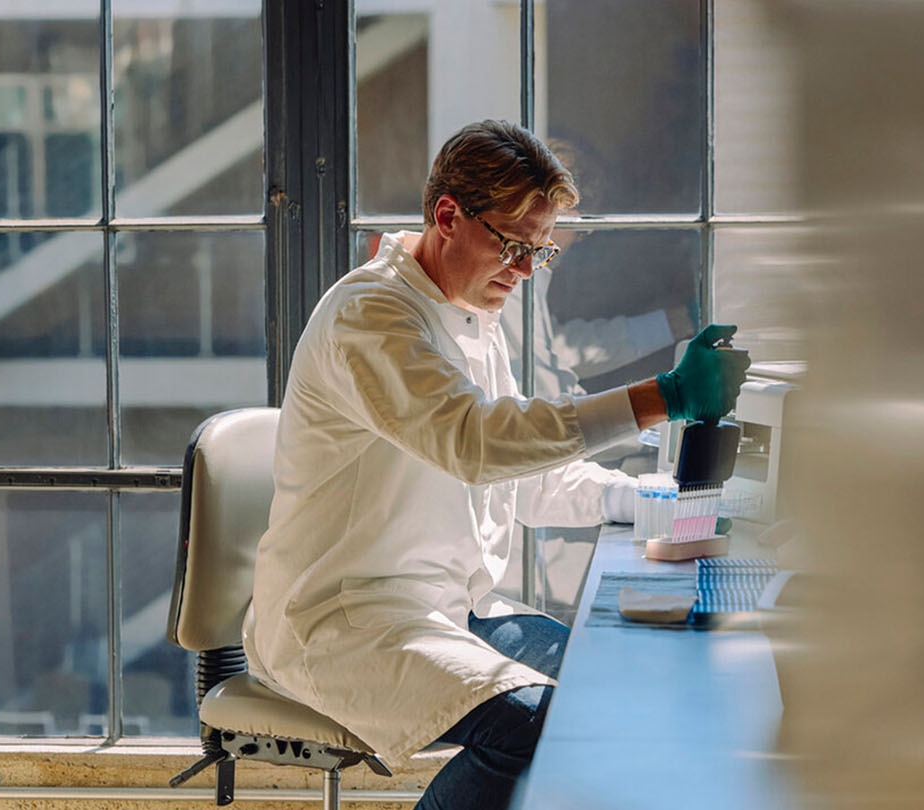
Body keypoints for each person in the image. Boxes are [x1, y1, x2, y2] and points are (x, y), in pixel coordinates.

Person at [241, 120, 748, 810]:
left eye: (538, 254)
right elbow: (477, 445)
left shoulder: (473, 315)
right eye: (512, 246)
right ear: (447, 215)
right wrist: (663, 397)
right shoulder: (371, 317)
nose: (522, 271)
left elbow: (527, 474)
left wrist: (652, 500)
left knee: (614, 685)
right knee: (535, 727)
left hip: (450, 608)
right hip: (342, 622)